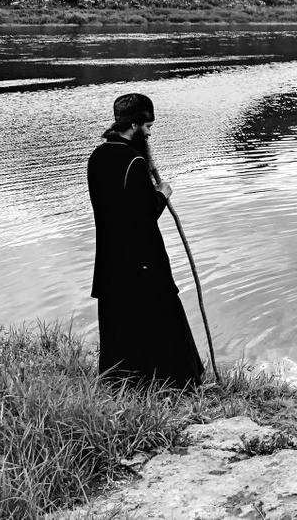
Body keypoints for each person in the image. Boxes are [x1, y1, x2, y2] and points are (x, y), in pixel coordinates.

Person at [88, 93, 204, 389]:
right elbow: (143, 214)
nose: (150, 133)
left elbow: (113, 208)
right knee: (161, 315)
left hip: (111, 260)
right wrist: (162, 193)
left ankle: (124, 382)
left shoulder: (97, 157)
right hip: (142, 259)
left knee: (122, 321)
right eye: (148, 126)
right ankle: (177, 382)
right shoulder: (134, 160)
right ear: (135, 125)